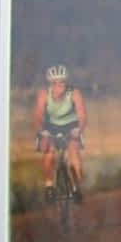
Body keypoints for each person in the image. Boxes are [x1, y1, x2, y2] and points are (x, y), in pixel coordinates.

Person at [33, 64, 86, 203]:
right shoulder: (44, 94)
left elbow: (81, 114)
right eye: (55, 83)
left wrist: (78, 129)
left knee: (74, 152)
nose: (58, 86)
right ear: (50, 84)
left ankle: (76, 187)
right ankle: (49, 186)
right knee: (49, 152)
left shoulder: (74, 93)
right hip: (51, 127)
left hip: (71, 125)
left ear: (66, 82)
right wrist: (42, 131)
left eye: (62, 82)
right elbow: (38, 115)